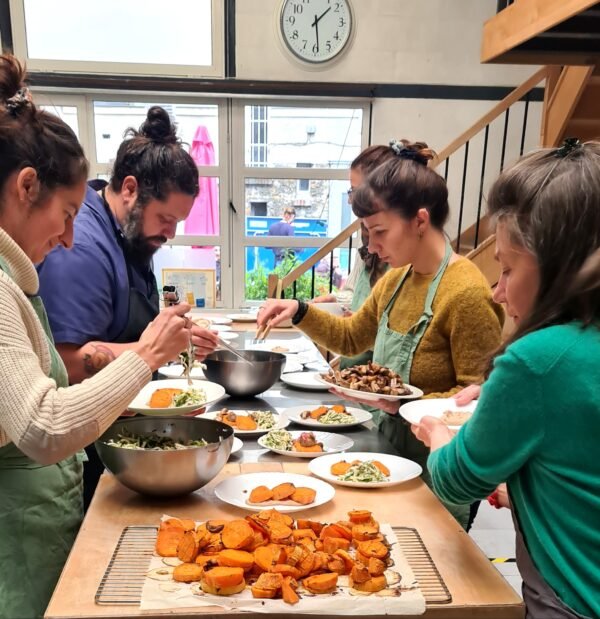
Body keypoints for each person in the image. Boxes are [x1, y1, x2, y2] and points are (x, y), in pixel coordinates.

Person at [0, 54, 193, 619]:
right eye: (63, 214)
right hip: (17, 539)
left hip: (41, 519)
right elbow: (42, 425)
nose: (66, 238)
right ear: (25, 186)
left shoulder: (17, 277)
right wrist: (148, 355)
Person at [257, 139, 504, 529]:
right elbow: (353, 338)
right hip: (389, 454)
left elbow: (477, 402)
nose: (372, 245)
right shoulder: (396, 279)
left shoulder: (466, 293)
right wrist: (299, 310)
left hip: (439, 472)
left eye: (379, 232)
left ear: (420, 221)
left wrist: (402, 402)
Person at [412, 139, 600, 618]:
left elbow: (455, 481)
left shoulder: (536, 360)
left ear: (560, 268)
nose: (497, 292)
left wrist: (439, 432)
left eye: (508, 269)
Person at [36, 105, 219, 509]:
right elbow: (65, 362)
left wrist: (177, 338)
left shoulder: (130, 230)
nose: (170, 234)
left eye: (178, 223)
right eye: (165, 218)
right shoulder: (81, 250)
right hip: (90, 446)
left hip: (121, 423)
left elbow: (131, 325)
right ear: (131, 188)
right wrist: (155, 349)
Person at [313, 145, 395, 367]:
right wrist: (336, 302)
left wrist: (361, 330)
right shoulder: (368, 239)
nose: (351, 201)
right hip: (357, 368)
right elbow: (357, 295)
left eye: (355, 192)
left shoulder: (400, 261)